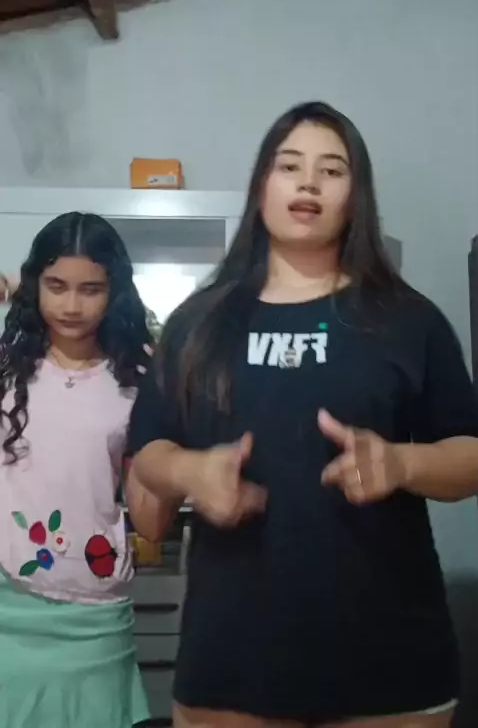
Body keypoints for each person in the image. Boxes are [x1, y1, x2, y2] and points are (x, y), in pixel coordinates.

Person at [128, 102, 478, 728]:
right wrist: (190, 472)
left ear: (356, 195)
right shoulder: (199, 322)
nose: (309, 182)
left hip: (391, 665)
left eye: (332, 170)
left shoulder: (408, 320)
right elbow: (149, 448)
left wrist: (401, 463)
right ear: (261, 184)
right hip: (230, 663)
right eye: (289, 166)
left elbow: (470, 455)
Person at [0, 212, 166, 728]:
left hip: (94, 612)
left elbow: (152, 520)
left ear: (115, 292)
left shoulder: (140, 380)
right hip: (6, 606)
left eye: (90, 289)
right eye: (56, 286)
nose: (71, 306)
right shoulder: (6, 369)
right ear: (34, 285)